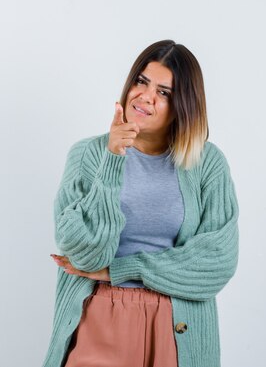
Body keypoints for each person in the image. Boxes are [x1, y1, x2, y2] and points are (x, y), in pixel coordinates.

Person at [42, 40, 239, 367]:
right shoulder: (89, 155)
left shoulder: (207, 163)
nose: (146, 96)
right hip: (99, 317)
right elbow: (84, 253)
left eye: (164, 92)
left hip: (176, 325)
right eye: (142, 81)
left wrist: (122, 269)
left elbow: (217, 262)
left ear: (184, 105)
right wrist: (113, 159)